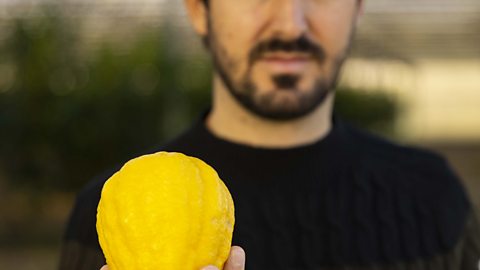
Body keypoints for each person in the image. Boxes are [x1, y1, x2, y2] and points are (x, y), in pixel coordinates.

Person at [59, 0, 480, 269]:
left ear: (358, 7)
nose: (290, 24)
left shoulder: (436, 201)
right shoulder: (110, 221)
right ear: (197, 10)